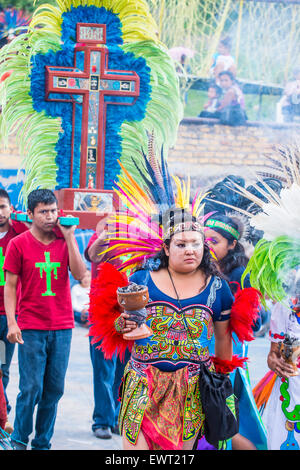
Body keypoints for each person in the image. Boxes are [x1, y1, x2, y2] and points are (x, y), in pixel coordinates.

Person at [3, 188, 86, 450]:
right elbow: (10, 285)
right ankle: (19, 439)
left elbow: (80, 272)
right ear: (30, 214)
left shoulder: (64, 241)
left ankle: (42, 442)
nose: (50, 217)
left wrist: (70, 237)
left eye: (53, 211)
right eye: (44, 212)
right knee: (31, 388)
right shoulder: (19, 244)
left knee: (54, 390)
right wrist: (13, 323)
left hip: (62, 327)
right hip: (31, 326)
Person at [204, 212, 266, 450]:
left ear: (232, 245)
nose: (208, 246)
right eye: (205, 240)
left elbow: (257, 321)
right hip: (200, 354)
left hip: (227, 357)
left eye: (215, 241)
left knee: (223, 416)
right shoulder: (200, 270)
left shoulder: (240, 276)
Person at [85, 215, 130, 440]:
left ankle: (116, 418)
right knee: (103, 369)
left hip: (131, 310)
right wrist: (107, 231)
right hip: (103, 311)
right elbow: (93, 255)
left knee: (126, 369)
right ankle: (101, 420)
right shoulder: (105, 232)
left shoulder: (141, 237)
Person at [0, 188, 27, 433]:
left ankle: (2, 414)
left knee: (3, 367)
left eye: (2, 207)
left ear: (11, 208)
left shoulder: (20, 233)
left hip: (8, 315)